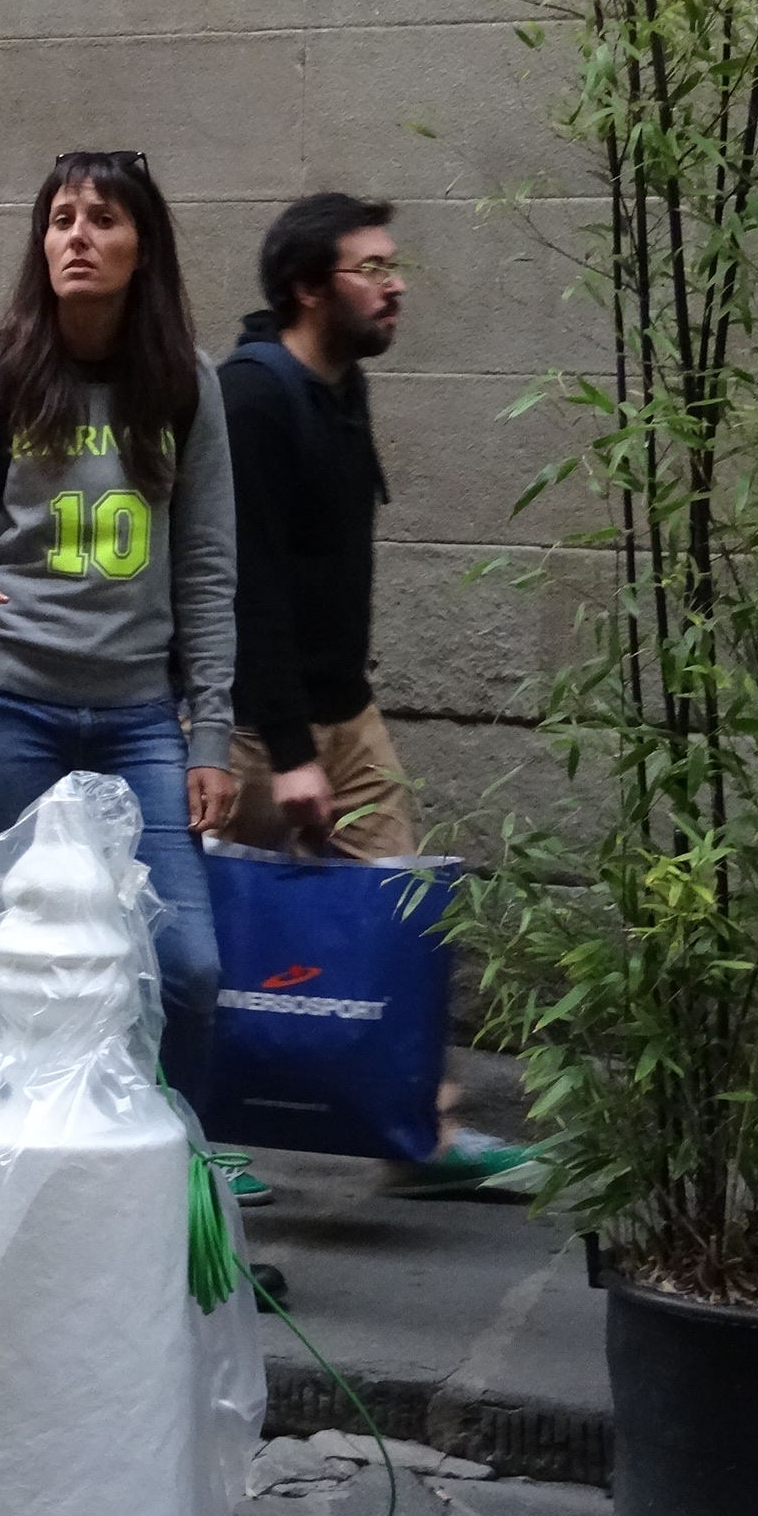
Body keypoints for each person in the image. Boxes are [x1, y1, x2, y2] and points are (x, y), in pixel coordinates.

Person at [0, 149, 248, 1166]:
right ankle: (32, 1170)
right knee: (29, 964)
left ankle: (164, 1177)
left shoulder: (184, 385)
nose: (78, 236)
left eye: (104, 219)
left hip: (137, 719)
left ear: (143, 246)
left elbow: (207, 568)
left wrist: (210, 735)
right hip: (0, 708)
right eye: (62, 218)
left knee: (186, 968)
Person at [219, 191, 539, 1194]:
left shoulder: (341, 383)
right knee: (202, 938)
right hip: (245, 729)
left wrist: (331, 728)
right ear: (307, 288)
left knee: (405, 914)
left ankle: (416, 1134)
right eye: (372, 269)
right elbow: (247, 589)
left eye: (394, 266)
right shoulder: (251, 400)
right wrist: (291, 751)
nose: (395, 286)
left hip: (344, 715)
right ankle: (195, 1148)